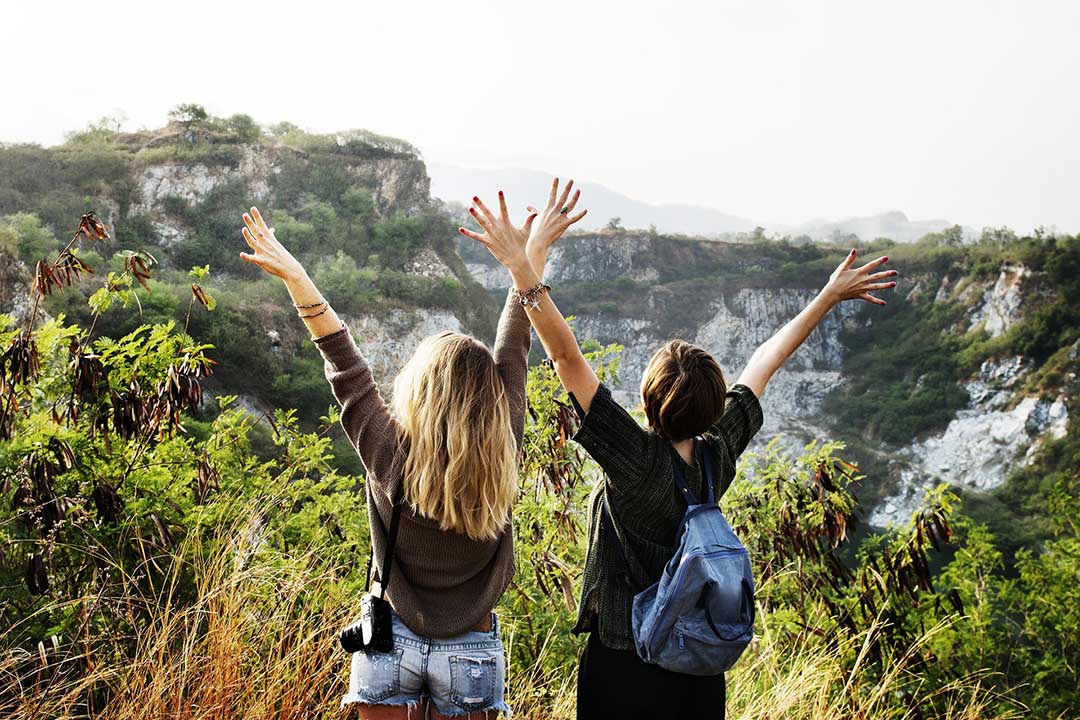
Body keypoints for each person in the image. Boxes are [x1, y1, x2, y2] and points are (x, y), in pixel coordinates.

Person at [460, 180, 897, 719]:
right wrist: (827, 297)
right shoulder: (719, 454)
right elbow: (765, 362)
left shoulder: (637, 461)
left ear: (649, 397)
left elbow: (566, 357)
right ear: (714, 406)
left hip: (625, 662)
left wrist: (521, 267)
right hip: (697, 666)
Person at [237, 198, 581, 719]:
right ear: (491, 398)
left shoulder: (387, 448)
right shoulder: (504, 439)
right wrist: (528, 257)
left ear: (419, 390)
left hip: (388, 640)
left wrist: (296, 275)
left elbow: (342, 360)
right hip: (472, 646)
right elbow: (515, 343)